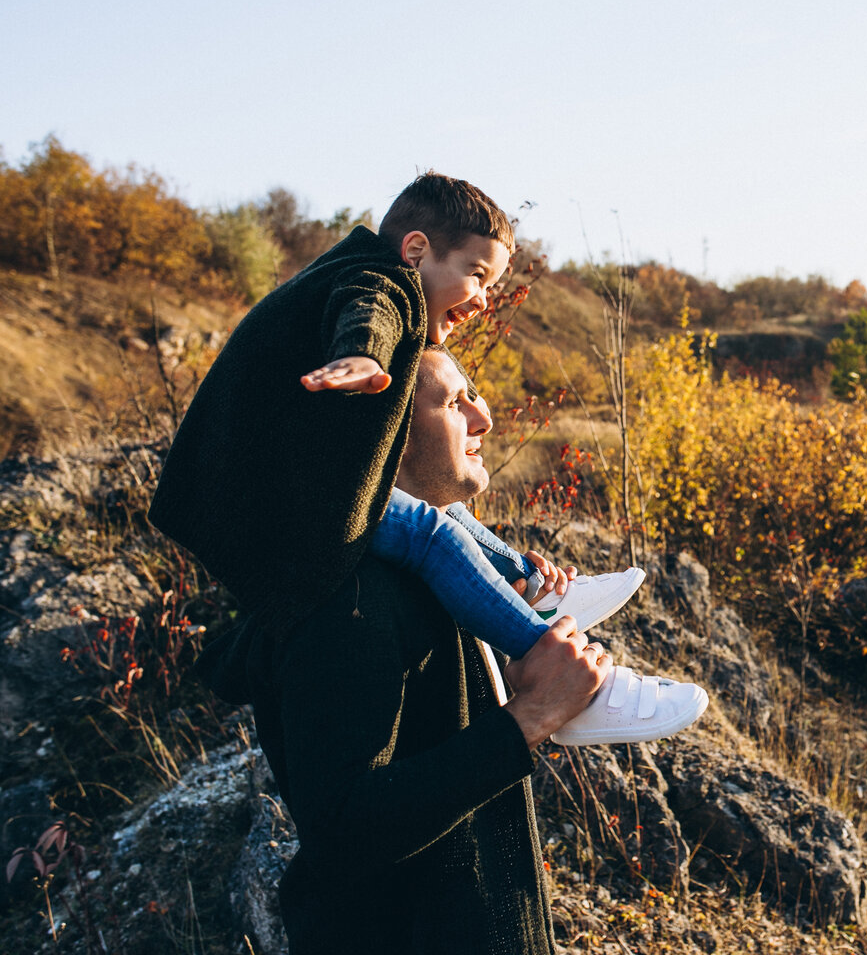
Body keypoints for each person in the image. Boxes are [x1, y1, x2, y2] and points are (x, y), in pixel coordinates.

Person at [150, 171, 705, 743]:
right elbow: (371, 311)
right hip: (259, 496)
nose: (485, 298)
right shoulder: (378, 279)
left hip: (270, 488)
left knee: (434, 512)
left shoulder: (355, 278)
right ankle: (557, 664)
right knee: (426, 531)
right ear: (416, 251)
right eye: (477, 273)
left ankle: (532, 589)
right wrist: (362, 356)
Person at [200, 346, 634, 953]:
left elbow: (433, 731)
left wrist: (510, 659)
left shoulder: (440, 575)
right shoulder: (347, 601)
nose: (483, 419)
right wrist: (530, 718)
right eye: (455, 403)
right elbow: (345, 827)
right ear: (388, 434)